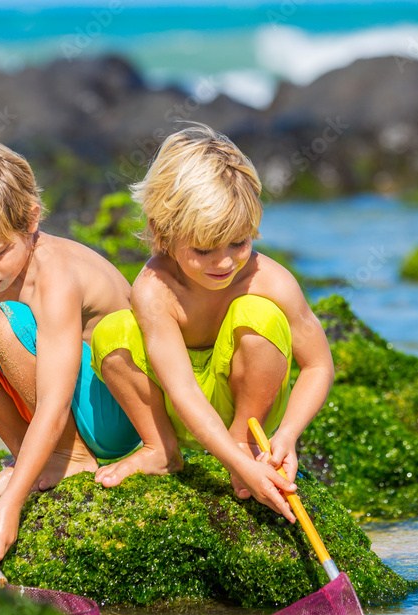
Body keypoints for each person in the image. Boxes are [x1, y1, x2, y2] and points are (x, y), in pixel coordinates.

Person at [90, 124, 335, 522]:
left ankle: (242, 441)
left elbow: (319, 365)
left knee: (259, 315)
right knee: (112, 332)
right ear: (163, 235)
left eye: (238, 243)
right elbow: (183, 391)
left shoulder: (269, 280)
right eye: (203, 249)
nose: (224, 263)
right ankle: (160, 449)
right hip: (179, 406)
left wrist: (288, 433)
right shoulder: (155, 289)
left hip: (250, 409)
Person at [0, 132, 141, 562]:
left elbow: (55, 402)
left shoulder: (55, 275)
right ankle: (33, 456)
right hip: (66, 407)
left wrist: (12, 503)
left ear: (31, 219)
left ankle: (68, 459)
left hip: (118, 410)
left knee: (4, 325)